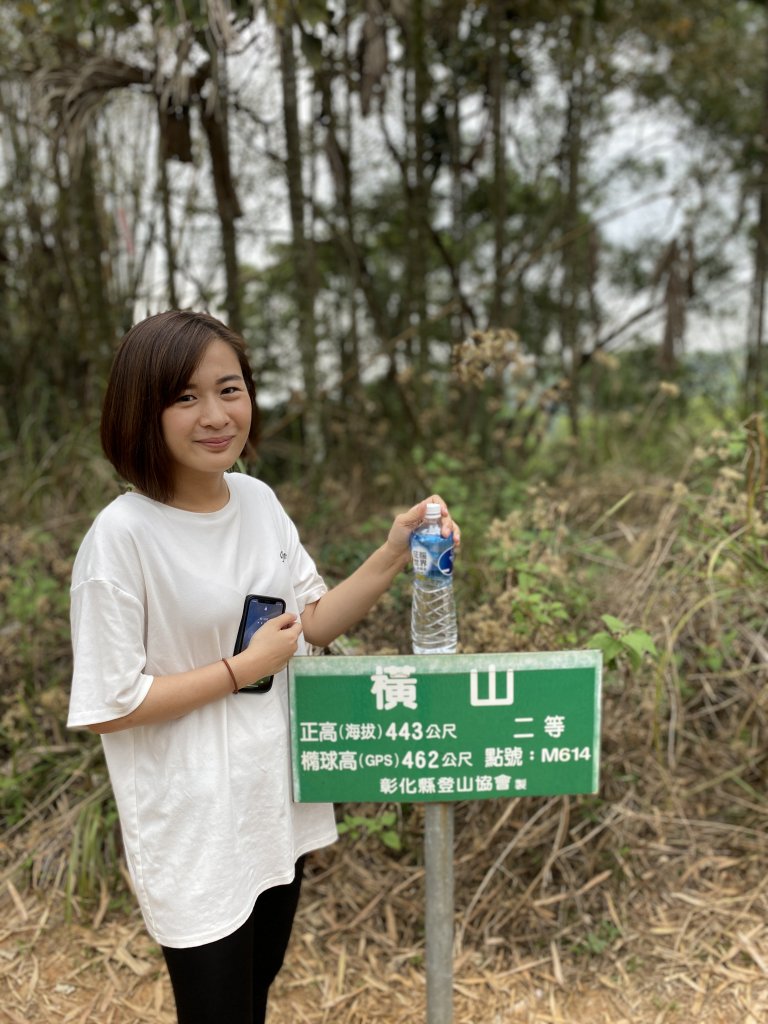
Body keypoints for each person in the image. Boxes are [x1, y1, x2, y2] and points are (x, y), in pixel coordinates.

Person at [67, 309, 460, 1024]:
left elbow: (312, 622)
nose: (216, 415)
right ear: (141, 411)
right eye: (185, 397)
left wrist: (394, 550)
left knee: (256, 994)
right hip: (192, 824)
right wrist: (239, 667)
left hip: (271, 805)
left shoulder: (256, 500)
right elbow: (110, 703)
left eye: (230, 389)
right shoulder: (122, 537)